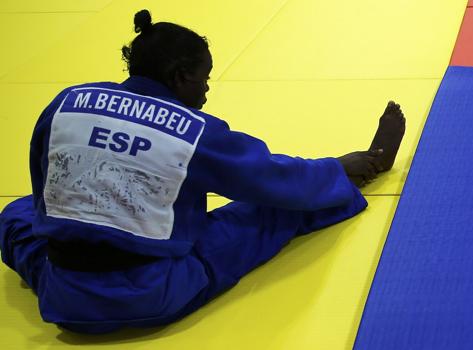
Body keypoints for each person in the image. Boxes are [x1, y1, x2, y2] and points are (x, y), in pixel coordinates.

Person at [0, 9, 405, 334]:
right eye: (204, 79)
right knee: (267, 211)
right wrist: (339, 165)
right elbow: (272, 178)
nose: (207, 91)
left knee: (18, 213)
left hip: (63, 292)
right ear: (179, 77)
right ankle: (359, 173)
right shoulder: (193, 132)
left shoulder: (66, 102)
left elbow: (45, 191)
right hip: (154, 291)